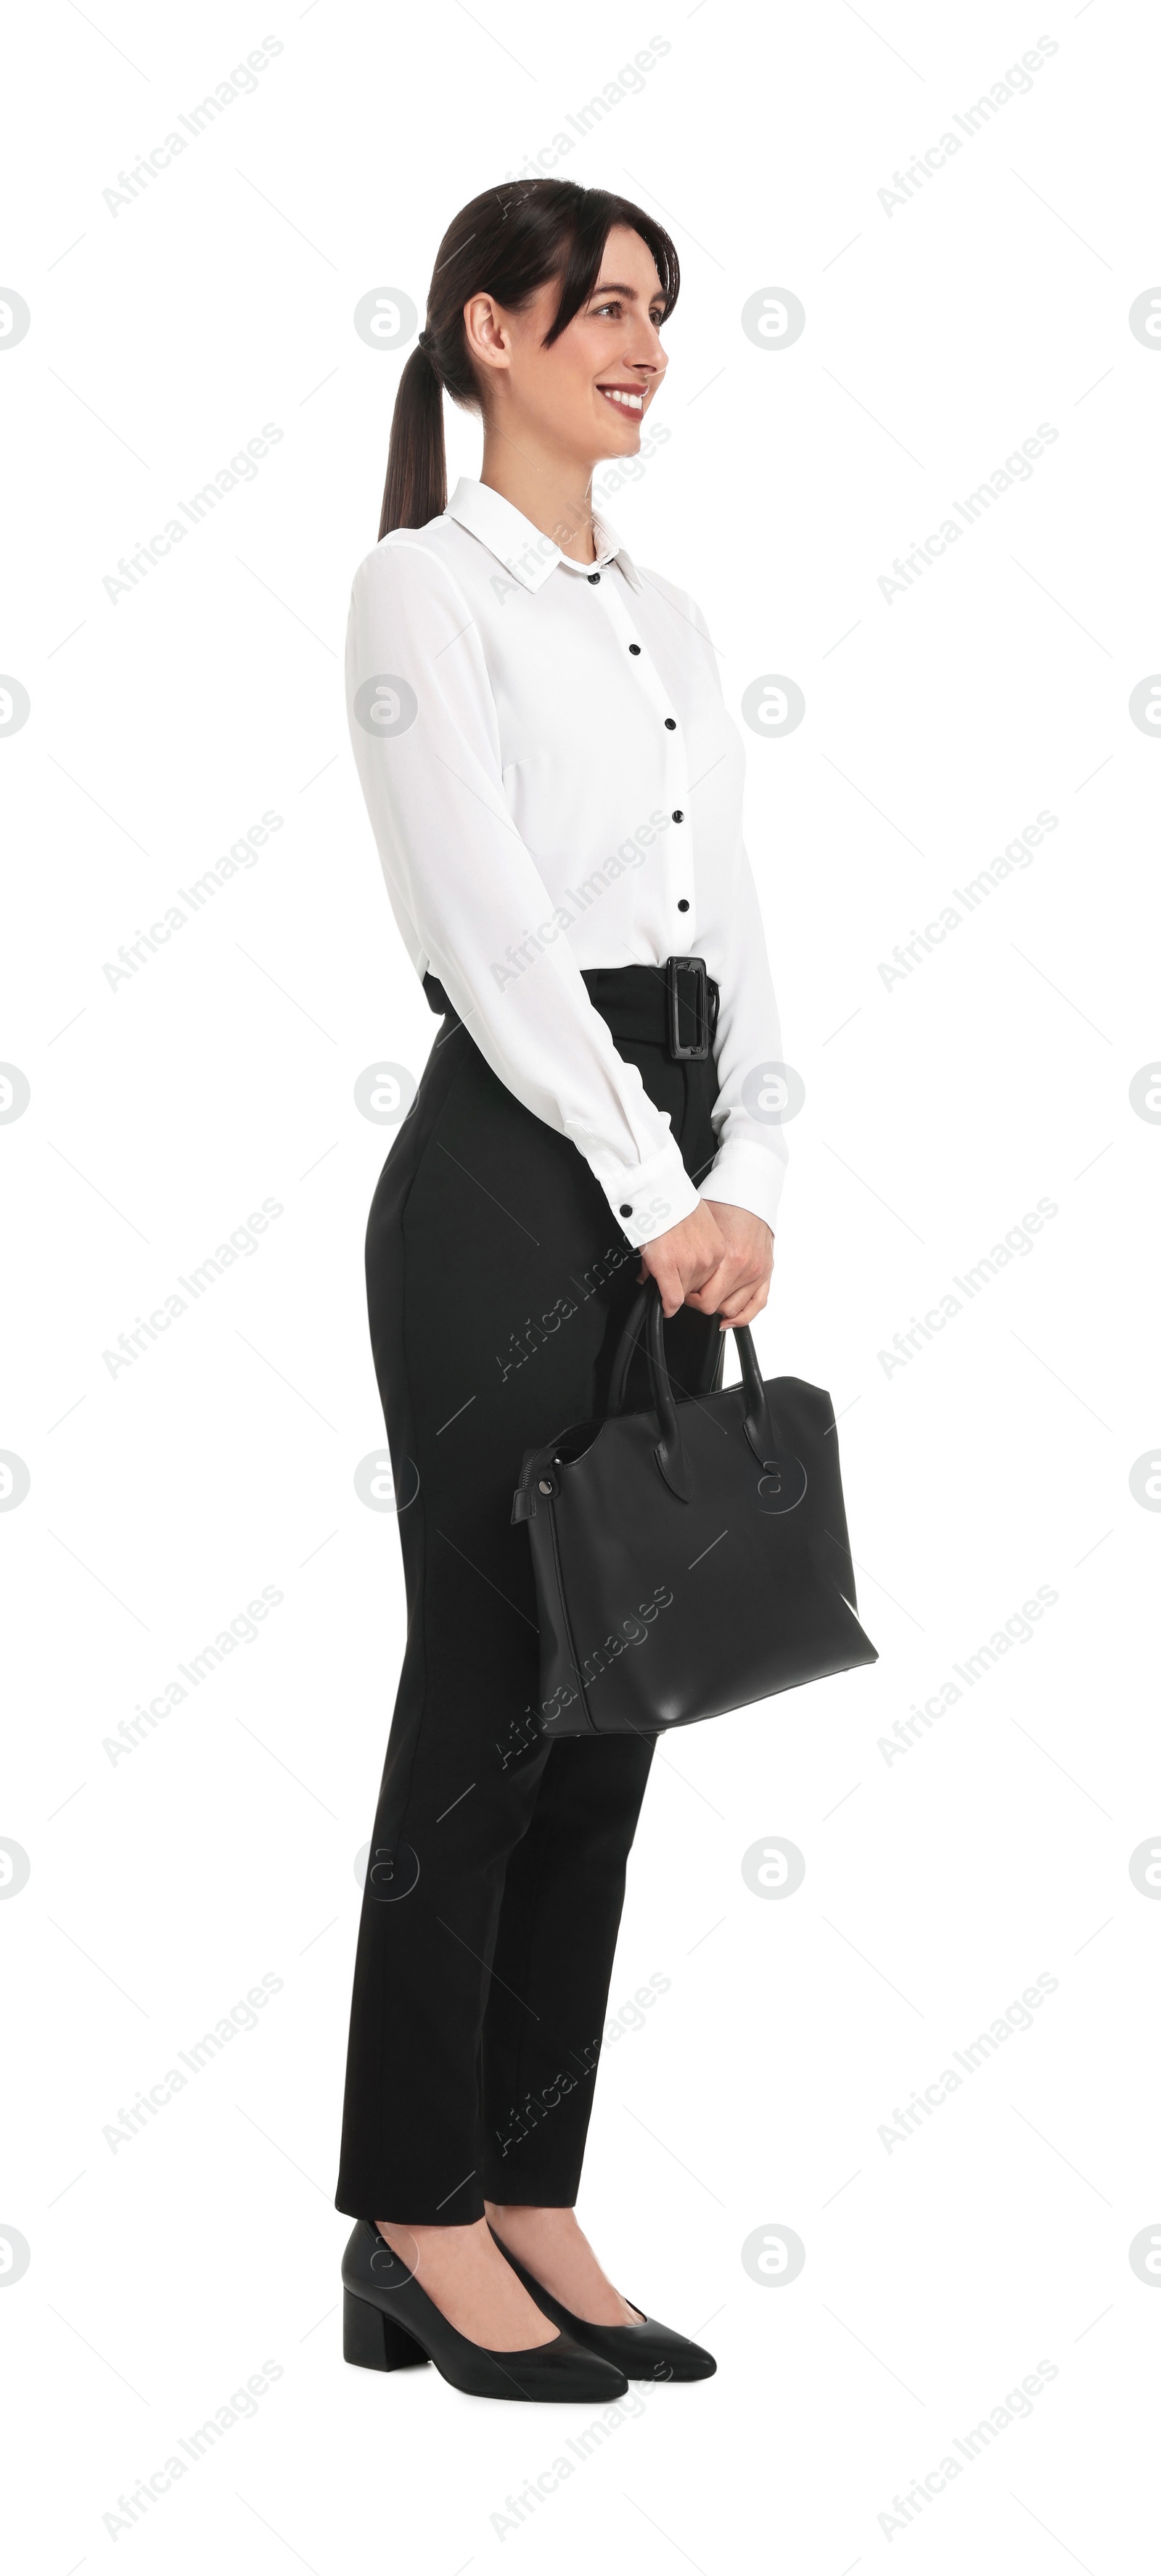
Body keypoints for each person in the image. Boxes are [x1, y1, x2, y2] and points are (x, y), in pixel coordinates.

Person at [335, 178, 787, 2403]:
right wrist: (645, 1186)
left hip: (671, 1166)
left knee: (618, 1701)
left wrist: (757, 1161)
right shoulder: (420, 593)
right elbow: (502, 940)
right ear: (488, 335)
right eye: (604, 307)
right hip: (521, 1178)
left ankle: (530, 2195)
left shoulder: (670, 615)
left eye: (661, 314)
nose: (644, 346)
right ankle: (409, 2211)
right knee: (494, 1684)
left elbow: (734, 924)